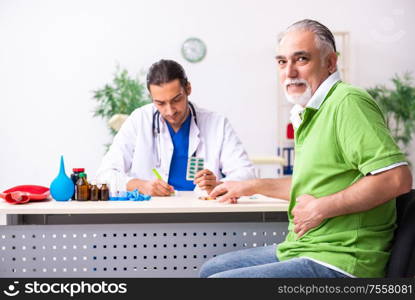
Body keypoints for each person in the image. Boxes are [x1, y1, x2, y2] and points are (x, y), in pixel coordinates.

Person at [199, 19, 413, 278]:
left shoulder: (347, 102)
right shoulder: (310, 112)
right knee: (211, 270)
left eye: (301, 59)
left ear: (331, 62)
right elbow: (314, 184)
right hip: (305, 247)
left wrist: (322, 208)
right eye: (282, 62)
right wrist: (250, 186)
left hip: (343, 259)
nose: (289, 72)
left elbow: (396, 178)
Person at [96, 59, 255, 196]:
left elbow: (247, 175)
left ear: (188, 89)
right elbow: (104, 175)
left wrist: (218, 185)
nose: (170, 110)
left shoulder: (217, 124)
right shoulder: (139, 120)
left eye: (176, 100)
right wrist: (140, 185)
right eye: (160, 103)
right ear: (151, 98)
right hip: (151, 215)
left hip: (204, 213)